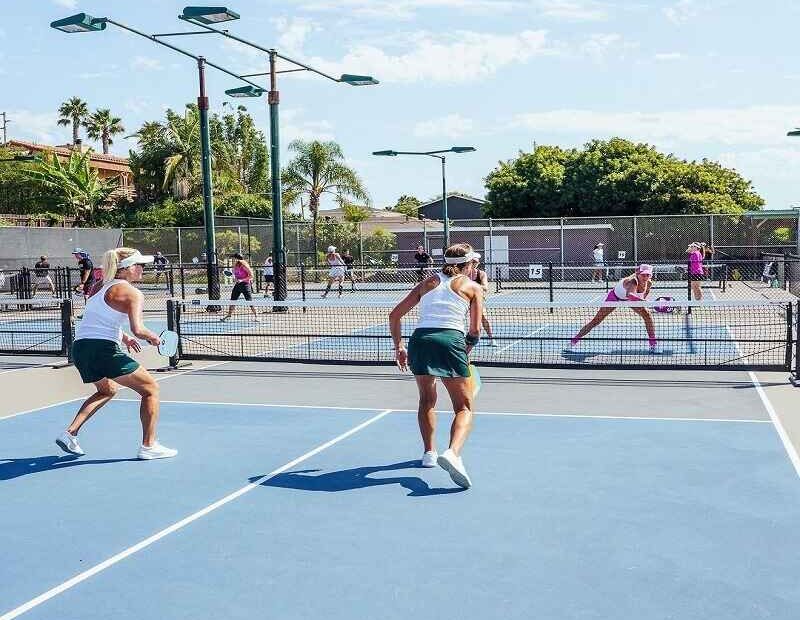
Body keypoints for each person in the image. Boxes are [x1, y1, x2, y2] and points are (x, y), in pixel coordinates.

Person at [55, 247, 177, 460]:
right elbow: (139, 329)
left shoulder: (97, 287)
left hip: (81, 348)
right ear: (127, 268)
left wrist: (125, 338)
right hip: (103, 349)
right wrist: (154, 338)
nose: (142, 268)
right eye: (139, 265)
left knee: (107, 390)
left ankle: (70, 433)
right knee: (150, 389)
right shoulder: (132, 293)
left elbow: (100, 319)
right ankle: (149, 446)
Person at [389, 243, 484, 490]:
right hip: (450, 341)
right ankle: (452, 453)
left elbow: (395, 315)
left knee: (426, 400)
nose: (476, 267)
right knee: (464, 407)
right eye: (474, 263)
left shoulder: (427, 283)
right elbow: (474, 330)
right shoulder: (473, 287)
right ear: (468, 264)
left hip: (420, 341)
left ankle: (429, 454)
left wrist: (399, 347)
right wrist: (466, 349)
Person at [569, 264, 658, 353]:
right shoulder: (633, 281)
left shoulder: (649, 283)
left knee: (647, 315)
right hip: (615, 297)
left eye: (648, 275)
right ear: (638, 273)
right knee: (596, 321)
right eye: (643, 275)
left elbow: (643, 295)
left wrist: (643, 302)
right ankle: (573, 341)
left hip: (629, 299)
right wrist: (643, 301)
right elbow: (630, 295)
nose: (645, 277)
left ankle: (653, 344)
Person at [466, 257, 496, 346]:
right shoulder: (464, 274)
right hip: (465, 299)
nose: (475, 263)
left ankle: (491, 338)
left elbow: (485, 287)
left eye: (476, 262)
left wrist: (471, 286)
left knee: (483, 318)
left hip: (477, 299)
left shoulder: (481, 274)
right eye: (473, 262)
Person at [221, 253, 260, 321]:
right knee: (233, 300)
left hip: (245, 285)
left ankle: (257, 316)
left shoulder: (244, 265)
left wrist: (242, 280)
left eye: (233, 258)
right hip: (238, 285)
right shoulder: (235, 266)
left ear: (236, 259)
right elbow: (236, 275)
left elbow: (251, 275)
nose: (232, 259)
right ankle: (229, 316)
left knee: (249, 301)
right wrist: (235, 278)